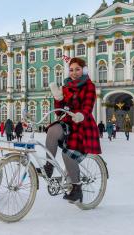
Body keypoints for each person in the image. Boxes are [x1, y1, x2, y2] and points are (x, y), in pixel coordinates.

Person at [41, 57, 101, 203]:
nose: (74, 73)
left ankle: (77, 188)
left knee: (68, 155)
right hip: (68, 121)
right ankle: (49, 166)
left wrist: (81, 114)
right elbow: (59, 111)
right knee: (52, 131)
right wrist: (58, 97)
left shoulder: (89, 86)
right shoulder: (66, 86)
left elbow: (88, 105)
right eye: (72, 70)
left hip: (82, 123)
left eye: (78, 69)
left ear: (84, 70)